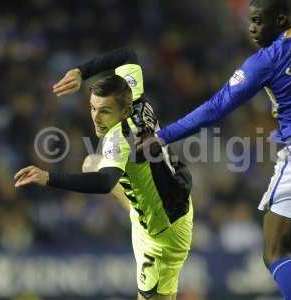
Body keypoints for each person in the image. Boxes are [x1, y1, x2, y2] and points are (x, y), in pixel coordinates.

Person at [140, 0, 291, 299]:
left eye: (257, 20)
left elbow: (215, 108)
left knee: (276, 253)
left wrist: (162, 136)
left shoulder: (267, 60)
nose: (250, 28)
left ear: (280, 19)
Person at [15, 49, 194, 300]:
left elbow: (103, 182)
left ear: (123, 110)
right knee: (91, 162)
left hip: (162, 236)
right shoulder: (134, 96)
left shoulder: (120, 138)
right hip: (163, 202)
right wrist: (81, 72)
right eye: (93, 108)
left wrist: (48, 177)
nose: (96, 118)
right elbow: (128, 56)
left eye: (105, 111)